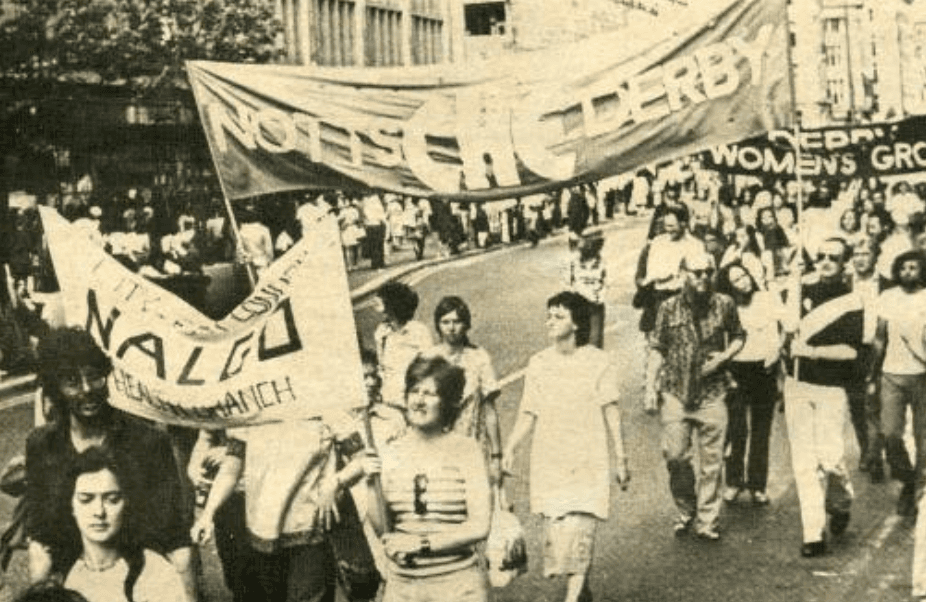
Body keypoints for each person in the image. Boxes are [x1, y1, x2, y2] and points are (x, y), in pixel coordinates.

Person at [25, 327, 194, 597]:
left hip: (142, 579)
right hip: (73, 580)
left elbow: (176, 539)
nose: (86, 390)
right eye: (71, 382)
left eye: (94, 378)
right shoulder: (42, 445)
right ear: (54, 388)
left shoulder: (147, 442)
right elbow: (41, 535)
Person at [503, 291, 629, 602]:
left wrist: (621, 457)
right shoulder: (539, 363)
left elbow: (611, 409)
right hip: (550, 457)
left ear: (576, 324)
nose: (550, 321)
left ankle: (572, 598)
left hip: (588, 456)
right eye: (549, 315)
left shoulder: (598, 361)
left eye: (559, 316)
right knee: (560, 534)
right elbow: (529, 411)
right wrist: (511, 446)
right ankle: (580, 586)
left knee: (581, 526)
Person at [362, 355, 492, 602]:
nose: (419, 401)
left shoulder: (466, 450)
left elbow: (479, 526)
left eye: (430, 394)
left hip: (457, 586)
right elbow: (385, 530)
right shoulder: (390, 451)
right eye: (414, 391)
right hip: (403, 588)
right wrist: (370, 484)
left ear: (447, 403)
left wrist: (422, 544)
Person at [648, 251, 744, 540]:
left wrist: (724, 357)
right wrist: (650, 386)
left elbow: (739, 335)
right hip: (676, 390)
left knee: (712, 461)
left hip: (712, 392)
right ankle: (686, 506)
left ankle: (707, 521)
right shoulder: (667, 307)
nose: (702, 278)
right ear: (683, 275)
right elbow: (656, 346)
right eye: (696, 272)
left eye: (707, 273)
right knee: (675, 456)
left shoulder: (724, 304)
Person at [783, 237, 864, 557]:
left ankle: (841, 502)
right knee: (805, 463)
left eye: (834, 257)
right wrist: (792, 280)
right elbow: (788, 326)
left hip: (831, 388)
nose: (826, 261)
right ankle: (813, 533)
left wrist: (812, 351)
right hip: (798, 385)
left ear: (844, 263)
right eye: (821, 256)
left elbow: (850, 351)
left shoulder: (852, 299)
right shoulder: (800, 289)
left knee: (830, 459)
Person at [62, 448, 188, 602]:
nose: (99, 512)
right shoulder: (64, 574)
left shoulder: (155, 572)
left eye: (112, 499)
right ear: (71, 506)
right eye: (86, 499)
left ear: (127, 503)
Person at [719, 263, 784, 505]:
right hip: (737, 371)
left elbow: (785, 326)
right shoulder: (725, 306)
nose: (744, 282)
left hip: (764, 369)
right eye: (736, 280)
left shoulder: (766, 298)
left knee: (761, 430)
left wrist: (777, 351)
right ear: (729, 286)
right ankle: (734, 482)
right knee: (736, 429)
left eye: (744, 276)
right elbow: (720, 341)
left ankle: (758, 485)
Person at [870, 250, 926, 518]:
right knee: (890, 434)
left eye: (913, 268)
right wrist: (872, 374)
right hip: (891, 374)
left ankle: (915, 489)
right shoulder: (888, 297)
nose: (907, 273)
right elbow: (880, 337)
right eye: (903, 268)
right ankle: (907, 477)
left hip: (922, 376)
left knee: (923, 438)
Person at [427, 297, 503, 484]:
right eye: (445, 322)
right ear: (438, 325)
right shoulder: (428, 358)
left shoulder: (479, 357)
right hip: (437, 448)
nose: (451, 328)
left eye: (456, 321)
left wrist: (496, 456)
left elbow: (490, 410)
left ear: (466, 324)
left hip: (473, 446)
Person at [373, 282, 433, 407]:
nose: (382, 312)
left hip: (414, 402)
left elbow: (429, 368)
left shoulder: (419, 331)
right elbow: (381, 367)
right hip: (389, 401)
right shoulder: (382, 332)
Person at [563, 234, 607, 348]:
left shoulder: (602, 263)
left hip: (596, 305)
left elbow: (606, 282)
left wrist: (599, 296)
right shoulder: (573, 262)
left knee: (595, 341)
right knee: (580, 340)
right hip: (578, 304)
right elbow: (568, 283)